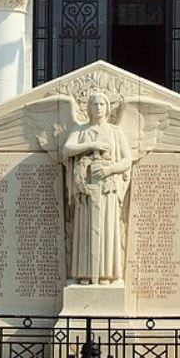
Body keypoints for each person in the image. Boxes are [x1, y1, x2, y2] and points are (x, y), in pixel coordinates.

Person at [62, 90, 132, 285]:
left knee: (107, 230)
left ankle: (106, 275)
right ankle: (84, 273)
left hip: (108, 189)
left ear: (107, 108)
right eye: (94, 104)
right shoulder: (80, 130)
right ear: (89, 108)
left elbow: (127, 160)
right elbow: (67, 149)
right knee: (85, 231)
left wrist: (110, 170)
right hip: (85, 190)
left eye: (102, 104)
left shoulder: (116, 132)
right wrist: (93, 144)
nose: (98, 108)